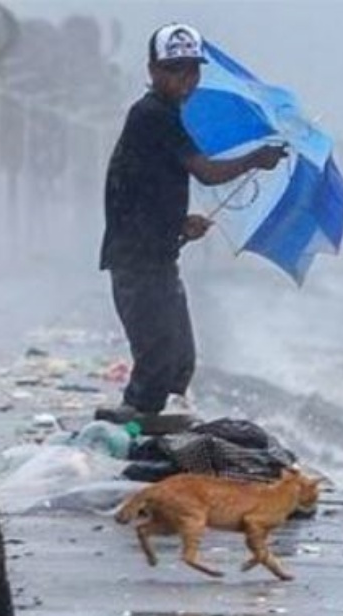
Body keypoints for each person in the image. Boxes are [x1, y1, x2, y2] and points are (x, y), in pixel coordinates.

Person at [99, 22, 287, 422]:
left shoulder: (167, 117)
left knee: (180, 361)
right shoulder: (152, 115)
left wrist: (180, 224)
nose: (185, 80)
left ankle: (149, 426)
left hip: (158, 256)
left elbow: (143, 190)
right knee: (157, 362)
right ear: (153, 71)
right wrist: (256, 158)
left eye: (191, 70)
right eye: (175, 70)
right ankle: (132, 428)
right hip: (137, 261)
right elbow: (205, 172)